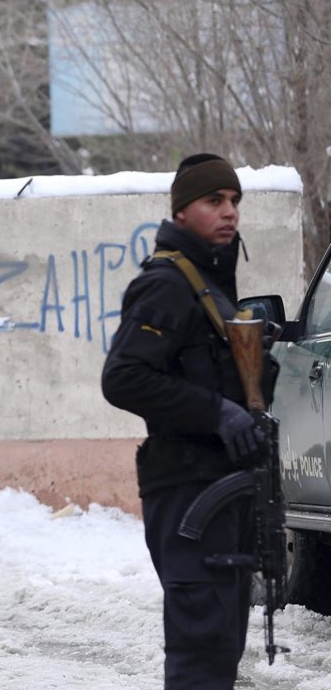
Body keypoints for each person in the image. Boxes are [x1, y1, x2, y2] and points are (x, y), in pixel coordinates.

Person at [102, 153, 271, 688]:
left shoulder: (211, 287)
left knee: (219, 654)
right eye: (214, 201)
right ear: (182, 210)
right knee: (200, 657)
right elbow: (123, 377)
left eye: (235, 202)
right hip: (188, 497)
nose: (229, 213)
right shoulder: (168, 285)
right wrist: (216, 412)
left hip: (222, 491)